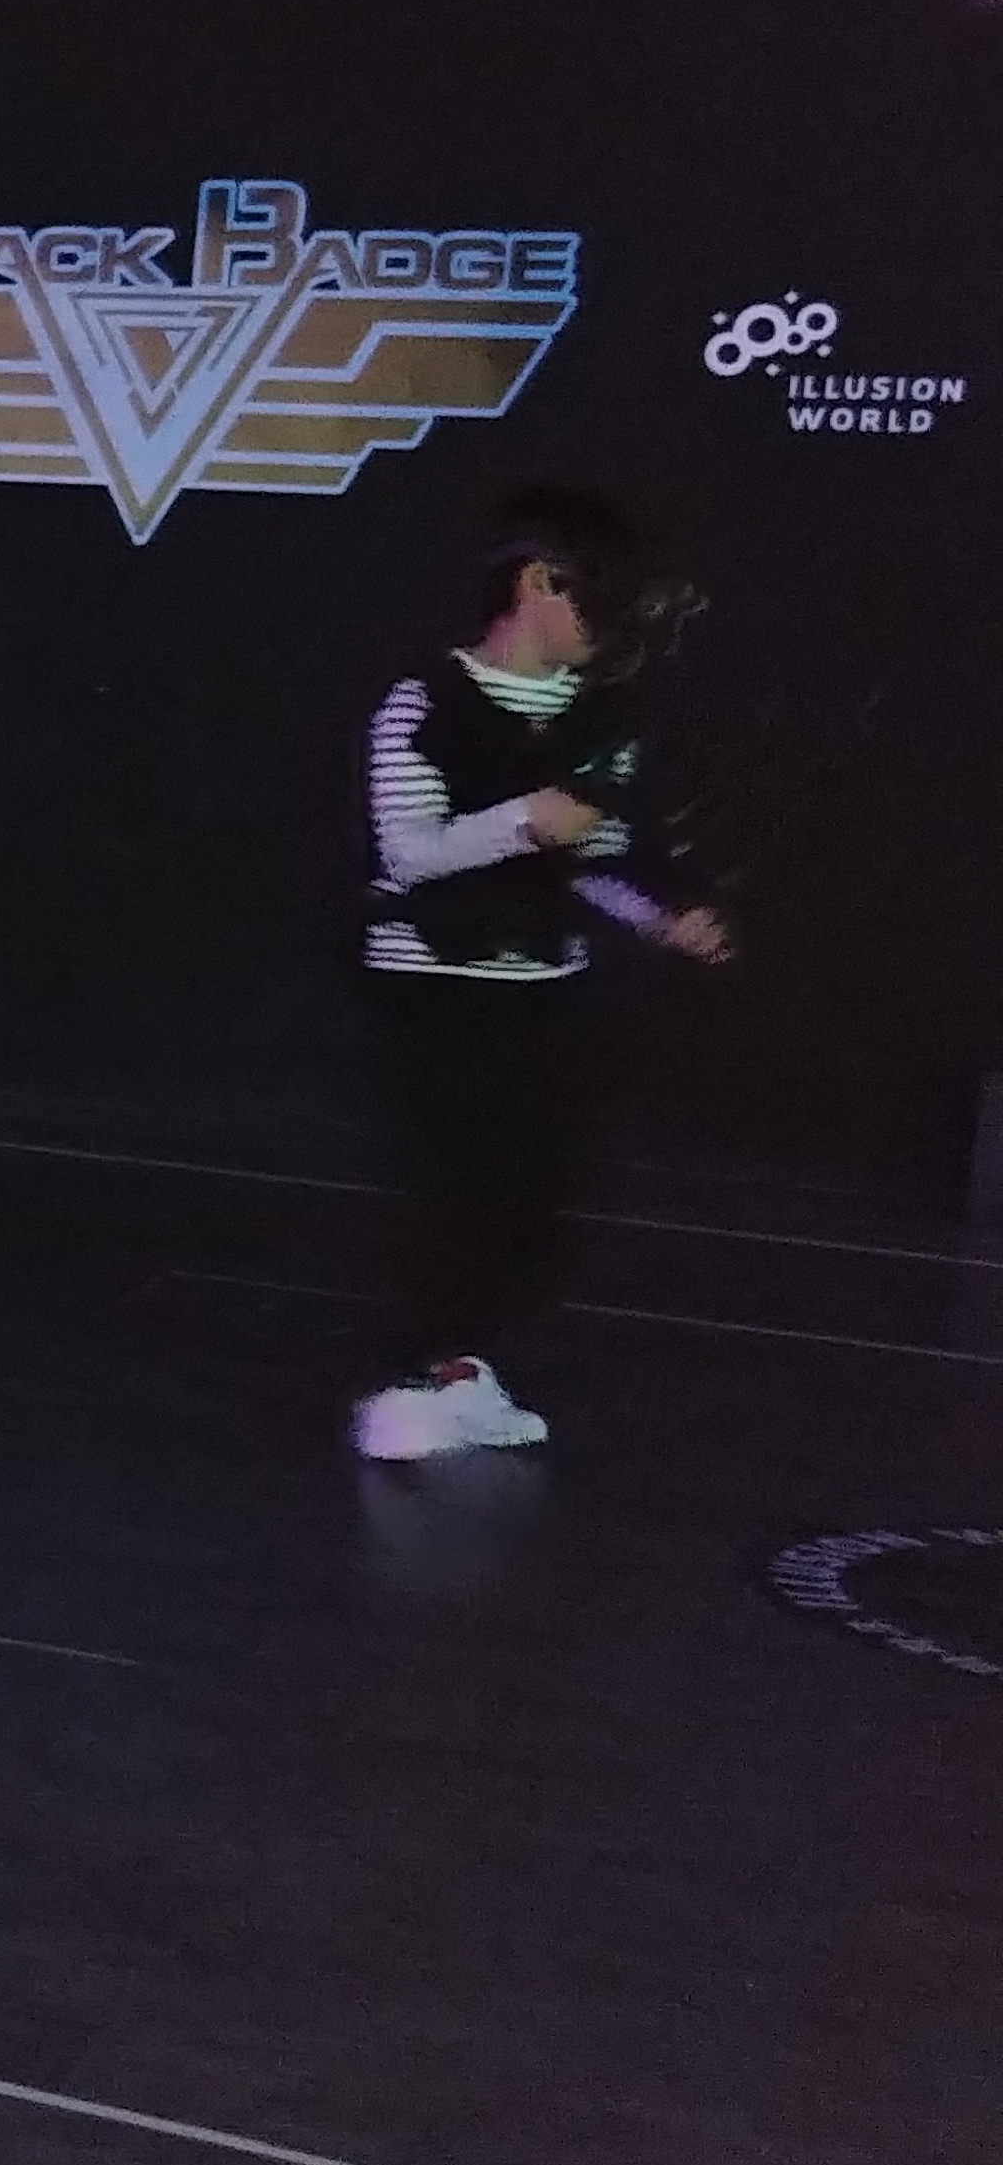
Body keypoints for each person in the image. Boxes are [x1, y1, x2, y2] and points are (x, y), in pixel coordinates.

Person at [349, 486, 729, 1461]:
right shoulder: (424, 701)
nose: (615, 628)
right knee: (462, 1189)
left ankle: (461, 1374)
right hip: (437, 984)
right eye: (600, 599)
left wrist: (661, 918)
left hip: (544, 986)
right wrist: (525, 820)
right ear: (539, 583)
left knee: (533, 1202)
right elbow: (409, 853)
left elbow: (592, 863)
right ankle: (407, 1382)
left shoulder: (602, 720)